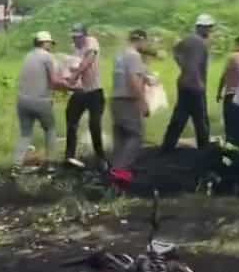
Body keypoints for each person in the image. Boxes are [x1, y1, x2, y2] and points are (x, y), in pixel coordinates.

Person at [12, 31, 71, 169]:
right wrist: (71, 87)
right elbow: (54, 81)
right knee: (50, 129)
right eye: (50, 43)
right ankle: (50, 163)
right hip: (40, 101)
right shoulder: (47, 57)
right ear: (44, 43)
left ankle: (16, 165)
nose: (51, 46)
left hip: (22, 101)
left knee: (25, 134)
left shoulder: (28, 56)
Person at [160, 13, 215, 152]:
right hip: (194, 85)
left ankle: (167, 146)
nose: (210, 30)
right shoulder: (199, 43)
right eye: (208, 27)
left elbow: (176, 52)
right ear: (201, 27)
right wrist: (197, 82)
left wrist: (182, 66)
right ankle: (204, 149)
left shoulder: (187, 40)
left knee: (180, 116)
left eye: (210, 27)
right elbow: (194, 65)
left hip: (184, 83)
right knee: (200, 120)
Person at [64, 24, 106, 168]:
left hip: (94, 91)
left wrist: (75, 75)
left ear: (84, 36)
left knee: (94, 125)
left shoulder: (91, 42)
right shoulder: (75, 49)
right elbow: (72, 66)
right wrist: (67, 76)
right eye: (74, 37)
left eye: (78, 37)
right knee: (71, 121)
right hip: (80, 92)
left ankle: (101, 157)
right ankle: (69, 156)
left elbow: (88, 61)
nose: (76, 40)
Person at [110, 29, 151, 170]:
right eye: (145, 42)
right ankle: (120, 171)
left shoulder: (120, 55)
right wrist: (143, 102)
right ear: (141, 40)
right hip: (127, 101)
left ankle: (114, 171)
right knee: (136, 136)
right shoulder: (134, 56)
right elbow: (133, 81)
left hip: (115, 101)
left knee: (120, 139)